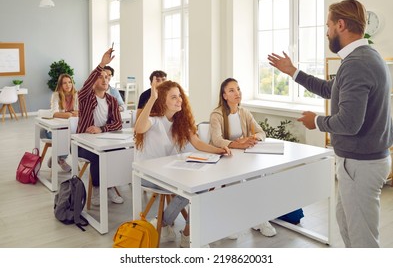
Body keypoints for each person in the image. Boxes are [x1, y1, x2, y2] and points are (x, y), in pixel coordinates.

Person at [267, 0, 392, 248]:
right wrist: (293, 71)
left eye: (328, 25)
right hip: (361, 161)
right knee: (346, 224)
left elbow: (349, 123)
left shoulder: (357, 64)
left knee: (363, 239)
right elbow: (330, 89)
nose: (327, 32)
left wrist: (316, 121)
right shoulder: (364, 56)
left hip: (361, 164)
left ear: (341, 25)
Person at [134, 78, 231, 248]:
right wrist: (152, 98)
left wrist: (219, 150)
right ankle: (167, 224)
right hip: (147, 175)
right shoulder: (154, 120)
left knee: (203, 186)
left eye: (179, 96)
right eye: (173, 97)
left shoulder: (180, 122)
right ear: (162, 100)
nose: (179, 100)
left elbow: (197, 143)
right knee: (190, 190)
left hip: (170, 173)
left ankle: (187, 232)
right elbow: (139, 128)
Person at [209, 77, 277, 238]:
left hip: (245, 158)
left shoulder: (244, 112)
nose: (237, 93)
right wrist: (237, 144)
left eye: (238, 89)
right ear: (224, 95)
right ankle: (230, 222)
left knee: (260, 179)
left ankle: (259, 219)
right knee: (235, 183)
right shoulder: (216, 115)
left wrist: (253, 138)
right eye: (231, 90)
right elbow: (217, 140)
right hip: (225, 158)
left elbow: (261, 132)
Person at [77, 48, 124, 206]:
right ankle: (97, 188)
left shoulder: (112, 100)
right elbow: (86, 84)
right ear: (93, 81)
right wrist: (102, 63)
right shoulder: (85, 96)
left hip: (104, 139)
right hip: (83, 144)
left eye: (107, 78)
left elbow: (118, 123)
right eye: (101, 77)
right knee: (98, 156)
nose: (105, 80)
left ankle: (110, 186)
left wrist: (101, 129)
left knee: (118, 152)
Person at [40, 73, 78, 172]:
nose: (68, 85)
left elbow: (79, 112)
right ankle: (61, 159)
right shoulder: (56, 95)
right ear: (60, 85)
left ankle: (56, 156)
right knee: (65, 136)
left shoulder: (76, 95)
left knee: (72, 135)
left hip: (69, 128)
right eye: (64, 83)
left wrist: (69, 113)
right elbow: (54, 113)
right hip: (50, 131)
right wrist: (69, 114)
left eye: (69, 82)